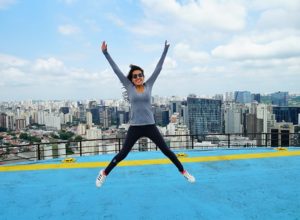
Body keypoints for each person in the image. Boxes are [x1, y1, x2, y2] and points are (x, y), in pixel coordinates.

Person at [96, 40, 195, 187]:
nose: (138, 78)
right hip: (135, 127)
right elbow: (116, 70)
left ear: (143, 76)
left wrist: (165, 51)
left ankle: (184, 172)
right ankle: (103, 173)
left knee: (167, 151)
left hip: (150, 125)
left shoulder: (149, 85)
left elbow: (159, 68)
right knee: (123, 154)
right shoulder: (129, 86)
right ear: (131, 78)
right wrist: (105, 53)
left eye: (140, 75)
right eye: (135, 76)